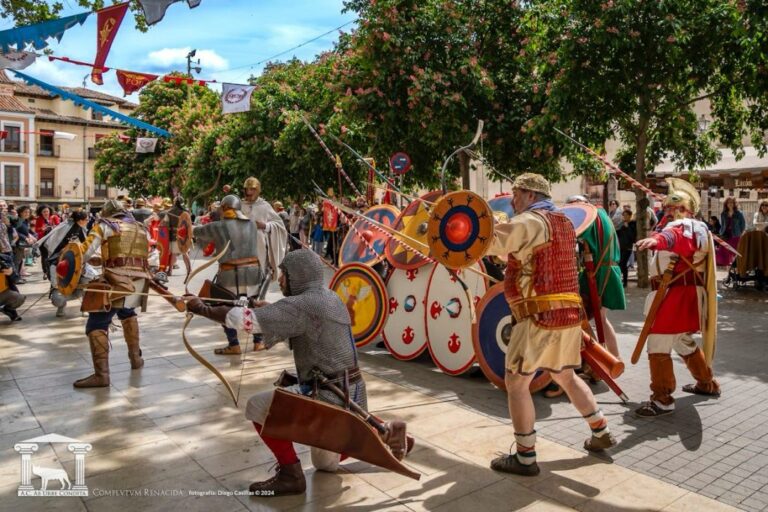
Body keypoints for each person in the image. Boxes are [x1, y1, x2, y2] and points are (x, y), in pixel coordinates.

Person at [185, 249, 410, 496]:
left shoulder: (304, 304)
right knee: (325, 465)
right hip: (349, 393)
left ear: (299, 275)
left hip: (327, 393)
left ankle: (291, 476)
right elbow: (301, 321)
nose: (280, 280)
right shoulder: (329, 298)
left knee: (257, 406)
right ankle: (385, 431)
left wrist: (201, 308)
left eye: (284, 274)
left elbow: (247, 321)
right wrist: (271, 310)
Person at [486, 173, 616, 477]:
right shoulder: (564, 224)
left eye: (517, 195)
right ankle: (600, 430)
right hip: (567, 316)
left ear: (531, 195)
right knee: (566, 377)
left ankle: (525, 457)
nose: (514, 201)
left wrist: (481, 223)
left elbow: (487, 242)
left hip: (537, 318)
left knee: (516, 384)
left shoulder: (529, 222)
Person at [634, 178, 720, 417]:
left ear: (686, 210)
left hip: (675, 295)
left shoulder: (688, 227)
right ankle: (706, 383)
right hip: (678, 293)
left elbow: (676, 238)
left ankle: (662, 398)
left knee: (658, 344)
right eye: (668, 208)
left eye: (674, 208)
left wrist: (658, 240)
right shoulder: (692, 227)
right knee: (682, 341)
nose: (669, 213)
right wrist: (660, 235)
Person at [71, 200, 151, 388]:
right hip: (139, 281)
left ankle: (102, 375)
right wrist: (104, 260)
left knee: (96, 322)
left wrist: (69, 259)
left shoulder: (104, 226)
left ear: (107, 213)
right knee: (127, 312)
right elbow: (138, 256)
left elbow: (83, 253)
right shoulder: (140, 228)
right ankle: (135, 359)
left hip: (117, 282)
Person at [193, 195, 266, 355]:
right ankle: (258, 342)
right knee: (254, 305)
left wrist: (196, 221)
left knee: (225, 307)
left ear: (225, 208)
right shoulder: (252, 224)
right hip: (253, 273)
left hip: (230, 273)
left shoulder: (219, 226)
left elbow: (197, 231)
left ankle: (234, 345)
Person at [39, 211, 89, 317]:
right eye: (86, 219)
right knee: (58, 296)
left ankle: (85, 306)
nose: (88, 221)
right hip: (60, 256)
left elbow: (85, 242)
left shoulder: (80, 228)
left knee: (88, 280)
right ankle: (61, 306)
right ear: (80, 221)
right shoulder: (65, 227)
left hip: (72, 255)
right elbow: (54, 243)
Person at [241, 177, 288, 281]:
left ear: (257, 190)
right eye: (247, 189)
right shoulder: (240, 206)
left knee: (257, 278)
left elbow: (279, 225)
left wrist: (265, 226)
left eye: (252, 189)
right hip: (241, 246)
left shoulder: (264, 206)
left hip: (259, 248)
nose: (249, 192)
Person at [717, 197, 745, 267]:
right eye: (728, 202)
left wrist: (739, 233)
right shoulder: (723, 213)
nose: (730, 204)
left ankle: (734, 268)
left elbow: (743, 225)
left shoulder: (739, 213)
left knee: (733, 251)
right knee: (724, 251)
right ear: (726, 204)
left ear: (734, 203)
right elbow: (722, 224)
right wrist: (721, 232)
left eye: (732, 202)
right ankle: (727, 268)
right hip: (725, 235)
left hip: (735, 235)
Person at [617, 210, 637, 287]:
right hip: (621, 247)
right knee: (619, 264)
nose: (624, 217)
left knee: (623, 264)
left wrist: (627, 227)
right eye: (623, 215)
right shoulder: (622, 225)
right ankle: (620, 280)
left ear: (630, 215)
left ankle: (625, 282)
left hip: (628, 247)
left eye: (626, 215)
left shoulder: (632, 224)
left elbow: (632, 237)